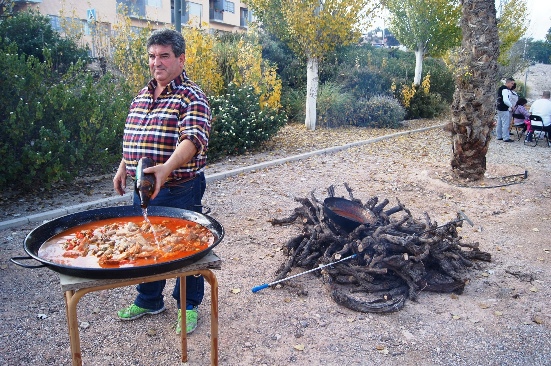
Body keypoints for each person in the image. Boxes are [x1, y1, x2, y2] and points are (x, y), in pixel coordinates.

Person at [112, 28, 211, 334]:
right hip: (142, 187)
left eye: (164, 56)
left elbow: (193, 139)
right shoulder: (142, 95)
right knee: (146, 244)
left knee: (185, 247)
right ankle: (149, 299)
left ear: (181, 59)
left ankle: (188, 305)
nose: (157, 63)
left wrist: (166, 168)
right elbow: (136, 139)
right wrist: (123, 167)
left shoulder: (192, 96)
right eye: (152, 56)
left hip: (179, 187)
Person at [496, 77, 515, 142]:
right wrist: (511, 106)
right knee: (505, 123)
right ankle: (506, 137)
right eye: (512, 83)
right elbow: (506, 100)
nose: (512, 85)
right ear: (508, 83)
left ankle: (499, 136)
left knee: (499, 123)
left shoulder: (500, 88)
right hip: (504, 108)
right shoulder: (505, 90)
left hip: (499, 107)